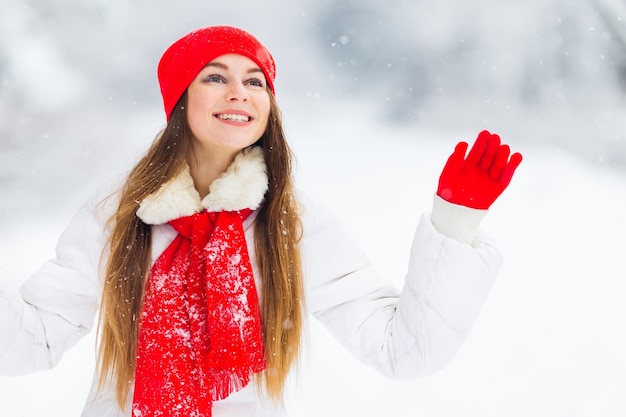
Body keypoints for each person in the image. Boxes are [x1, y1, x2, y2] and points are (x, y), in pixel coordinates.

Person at [0, 25, 523, 417]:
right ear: (180, 100)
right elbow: (34, 338)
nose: (240, 92)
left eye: (255, 81)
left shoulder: (291, 221)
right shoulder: (118, 211)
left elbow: (402, 352)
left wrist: (456, 222)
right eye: (215, 77)